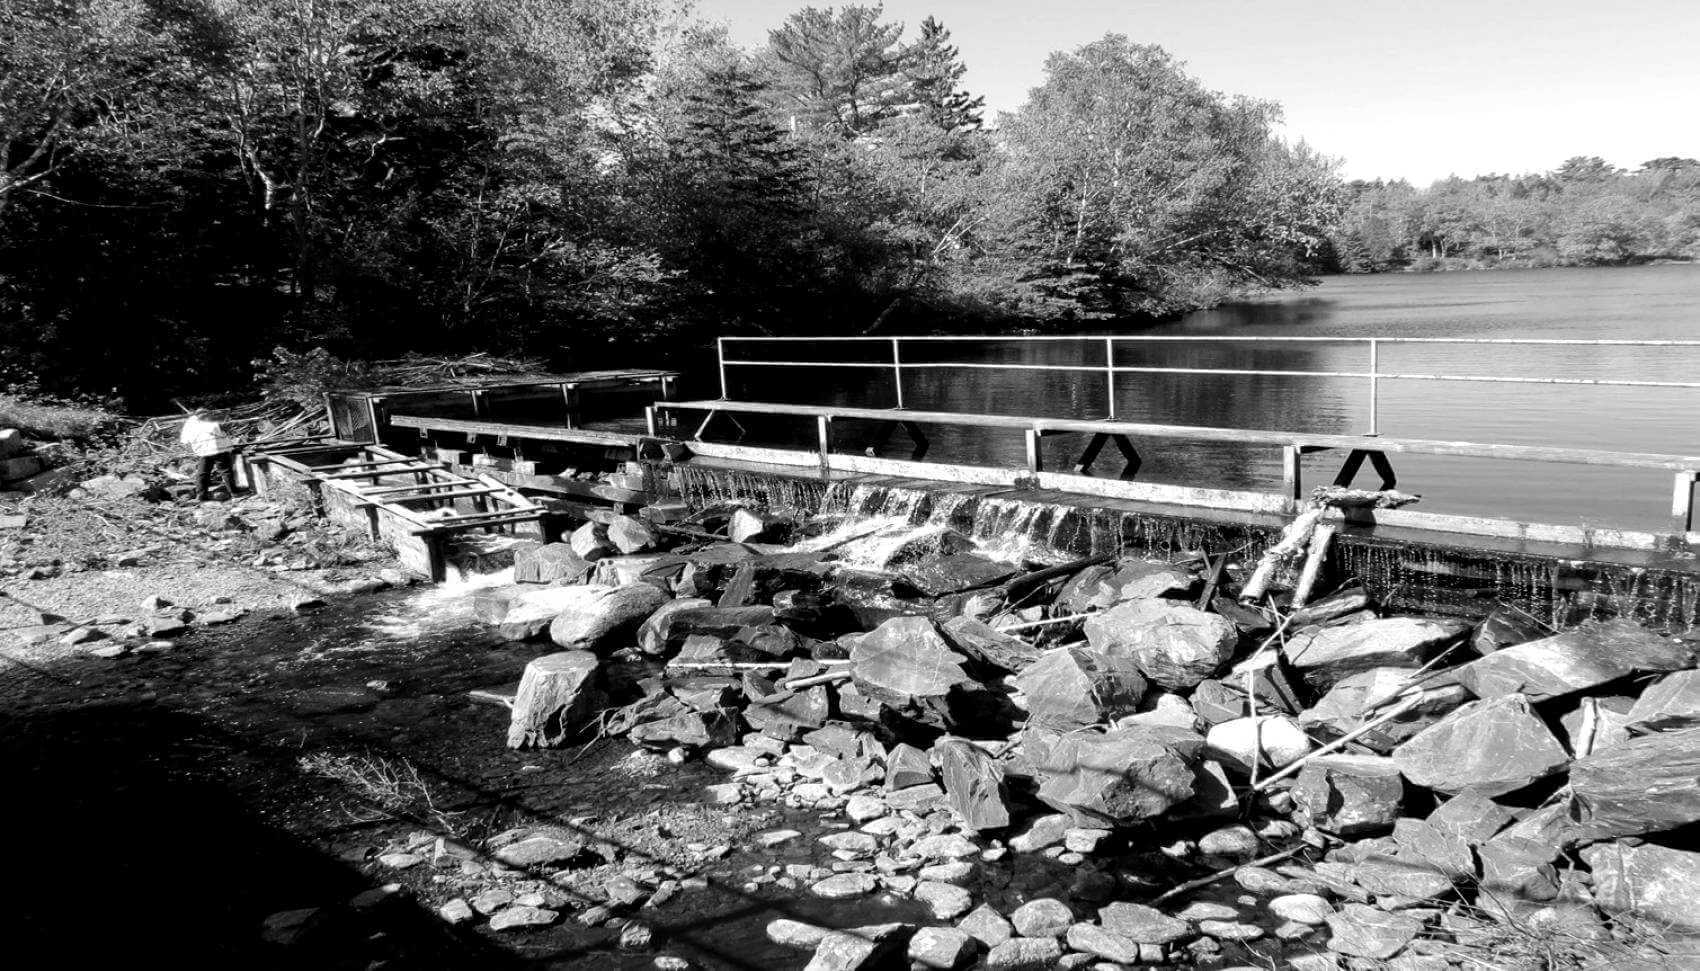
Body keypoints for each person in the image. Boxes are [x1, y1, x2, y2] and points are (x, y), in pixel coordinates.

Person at [179, 409, 237, 500]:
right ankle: (234, 493)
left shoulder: (190, 424)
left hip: (204, 451)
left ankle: (201, 495)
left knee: (203, 473)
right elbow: (222, 428)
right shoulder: (210, 424)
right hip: (219, 449)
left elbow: (184, 441)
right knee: (225, 471)